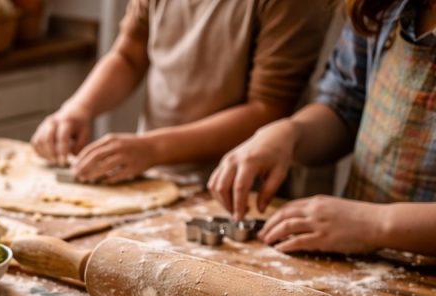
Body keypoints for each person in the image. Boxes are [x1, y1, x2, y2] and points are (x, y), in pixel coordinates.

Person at [210, 0, 436, 256]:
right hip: (366, 259)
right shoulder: (381, 6)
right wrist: (291, 133)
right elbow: (345, 107)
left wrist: (376, 224)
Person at [31, 1, 334, 184]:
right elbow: (129, 54)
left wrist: (152, 149)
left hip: (242, 185)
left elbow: (268, 110)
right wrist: (78, 108)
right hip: (153, 170)